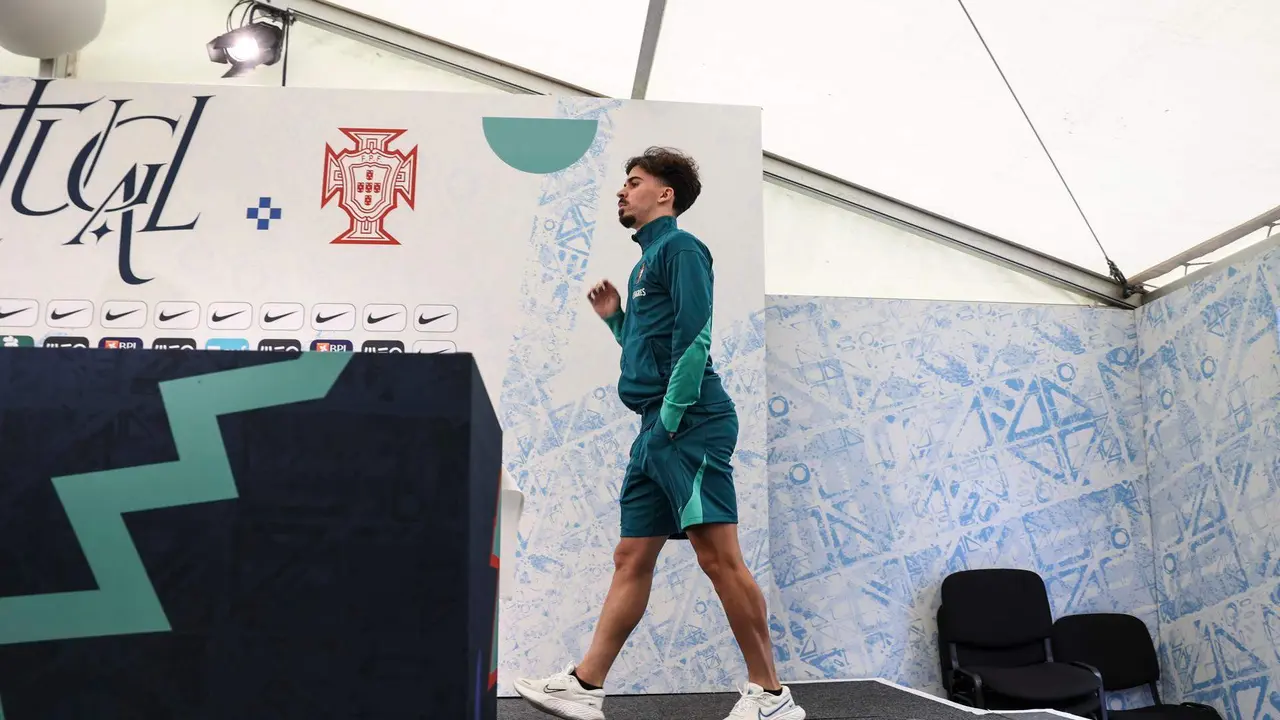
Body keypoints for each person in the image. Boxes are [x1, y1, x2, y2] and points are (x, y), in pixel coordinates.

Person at [513, 147, 805, 720]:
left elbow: (696, 340)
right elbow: (651, 352)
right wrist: (618, 320)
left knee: (719, 558)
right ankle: (585, 685)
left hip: (689, 422)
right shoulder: (645, 263)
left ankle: (770, 695)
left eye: (634, 182)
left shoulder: (681, 249)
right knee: (630, 555)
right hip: (656, 425)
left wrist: (670, 421)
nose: (622, 192)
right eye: (623, 183)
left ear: (664, 194)